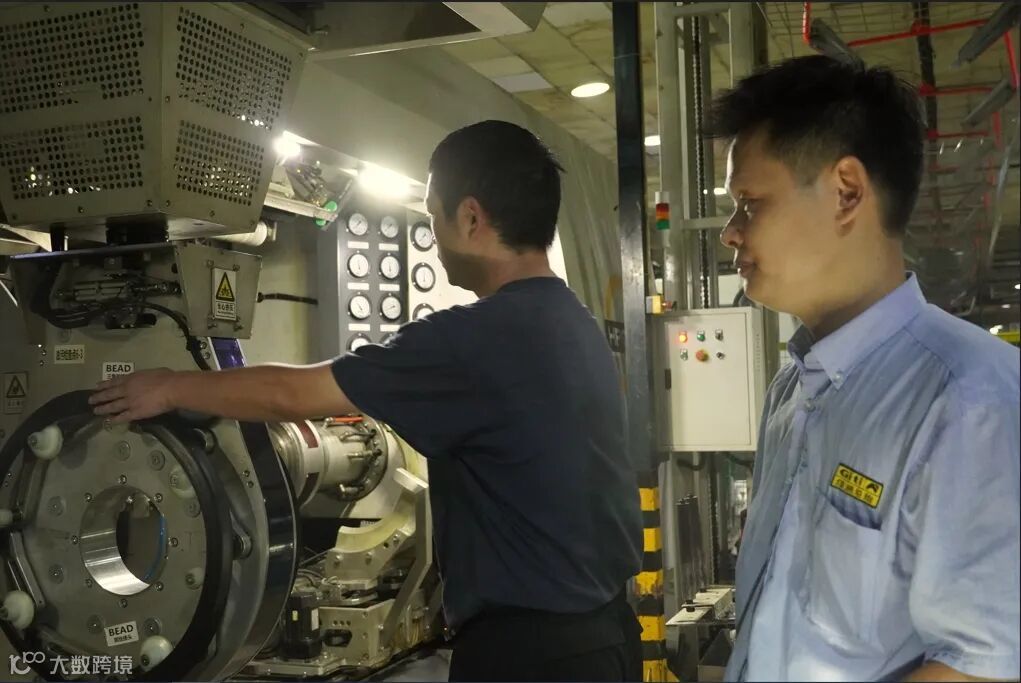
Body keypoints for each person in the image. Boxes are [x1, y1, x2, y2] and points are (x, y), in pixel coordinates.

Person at [90, 120, 644, 682]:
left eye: (433, 215)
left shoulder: (476, 337)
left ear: (471, 218)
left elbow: (292, 395)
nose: (433, 234)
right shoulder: (572, 321)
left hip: (532, 656)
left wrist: (168, 387)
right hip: (604, 637)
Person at [709, 55, 1020, 681]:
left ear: (847, 192)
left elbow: (981, 667)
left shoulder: (967, 399)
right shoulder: (793, 388)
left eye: (749, 203)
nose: (730, 233)